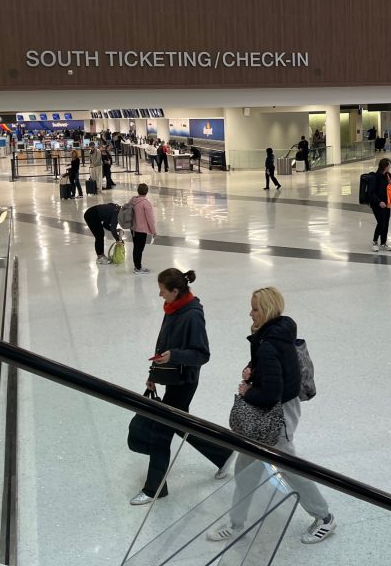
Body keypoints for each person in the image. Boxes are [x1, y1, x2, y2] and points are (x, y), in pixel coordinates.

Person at [206, 287, 336, 546]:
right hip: (277, 412)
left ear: (265, 310)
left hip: (276, 416)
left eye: (254, 308)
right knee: (245, 468)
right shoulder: (277, 333)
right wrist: (253, 372)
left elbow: (271, 393)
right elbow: (278, 372)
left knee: (290, 468)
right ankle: (236, 524)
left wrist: (247, 391)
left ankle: (324, 518)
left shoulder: (268, 343)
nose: (250, 312)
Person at [130, 268, 233, 505]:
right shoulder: (173, 308)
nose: (159, 295)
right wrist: (153, 374)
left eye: (163, 290)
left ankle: (154, 488)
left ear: (175, 291)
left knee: (162, 431)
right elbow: (162, 343)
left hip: (184, 380)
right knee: (180, 423)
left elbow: (202, 354)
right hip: (171, 375)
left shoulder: (192, 314)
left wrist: (174, 356)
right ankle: (222, 453)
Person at [367, 157, 391, 252]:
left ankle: (383, 243)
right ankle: (375, 241)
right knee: (381, 222)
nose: (390, 166)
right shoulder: (375, 177)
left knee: (386, 223)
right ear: (385, 166)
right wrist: (379, 202)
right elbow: (371, 192)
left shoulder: (387, 175)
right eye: (389, 165)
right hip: (377, 204)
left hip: (387, 202)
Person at [129, 183, 157, 275]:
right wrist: (153, 231)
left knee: (136, 248)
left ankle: (137, 266)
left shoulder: (133, 200)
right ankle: (138, 268)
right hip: (141, 230)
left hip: (133, 228)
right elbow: (150, 219)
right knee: (139, 249)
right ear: (146, 192)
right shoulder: (146, 203)